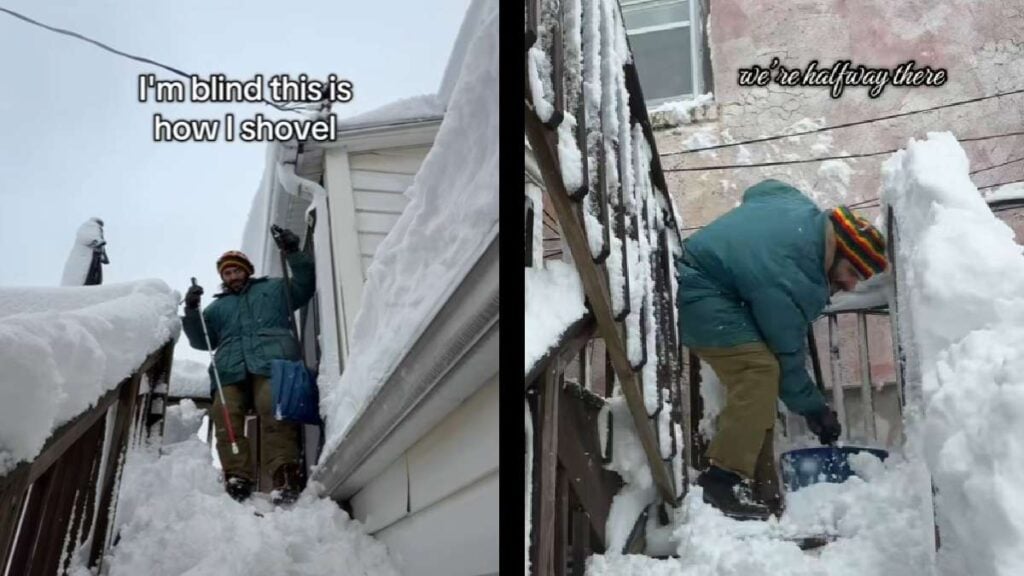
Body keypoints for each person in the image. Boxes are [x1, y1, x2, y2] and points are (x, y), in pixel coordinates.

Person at [676, 179, 887, 520]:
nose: (849, 285)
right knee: (759, 371)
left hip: (698, 276)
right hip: (697, 291)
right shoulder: (795, 275)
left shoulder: (795, 208)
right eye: (850, 272)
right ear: (837, 248)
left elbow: (763, 189)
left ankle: (734, 480)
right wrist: (814, 410)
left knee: (757, 373)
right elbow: (785, 353)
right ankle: (720, 481)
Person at [181, 227, 315, 504]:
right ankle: (237, 476)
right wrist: (192, 310)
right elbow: (200, 340)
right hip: (230, 367)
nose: (232, 277)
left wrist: (292, 252)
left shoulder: (274, 289)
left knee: (272, 406)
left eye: (236, 271)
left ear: (247, 271)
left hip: (271, 361)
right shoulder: (216, 309)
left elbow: (304, 285)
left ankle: (284, 475)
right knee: (225, 413)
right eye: (227, 274)